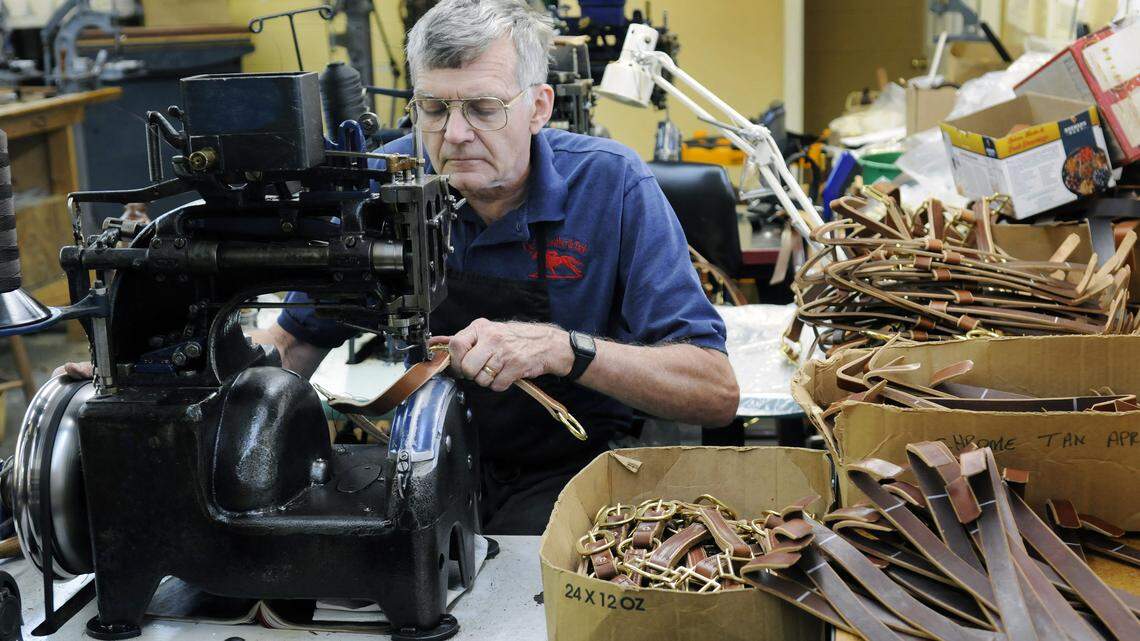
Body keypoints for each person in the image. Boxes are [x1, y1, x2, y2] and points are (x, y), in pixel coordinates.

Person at [67, 0, 740, 535]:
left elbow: (714, 389)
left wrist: (567, 349)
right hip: (429, 459)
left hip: (579, 471)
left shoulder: (611, 188)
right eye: (433, 108)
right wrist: (152, 377)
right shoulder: (381, 181)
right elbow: (297, 339)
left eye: (482, 108)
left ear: (539, 107)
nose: (452, 135)